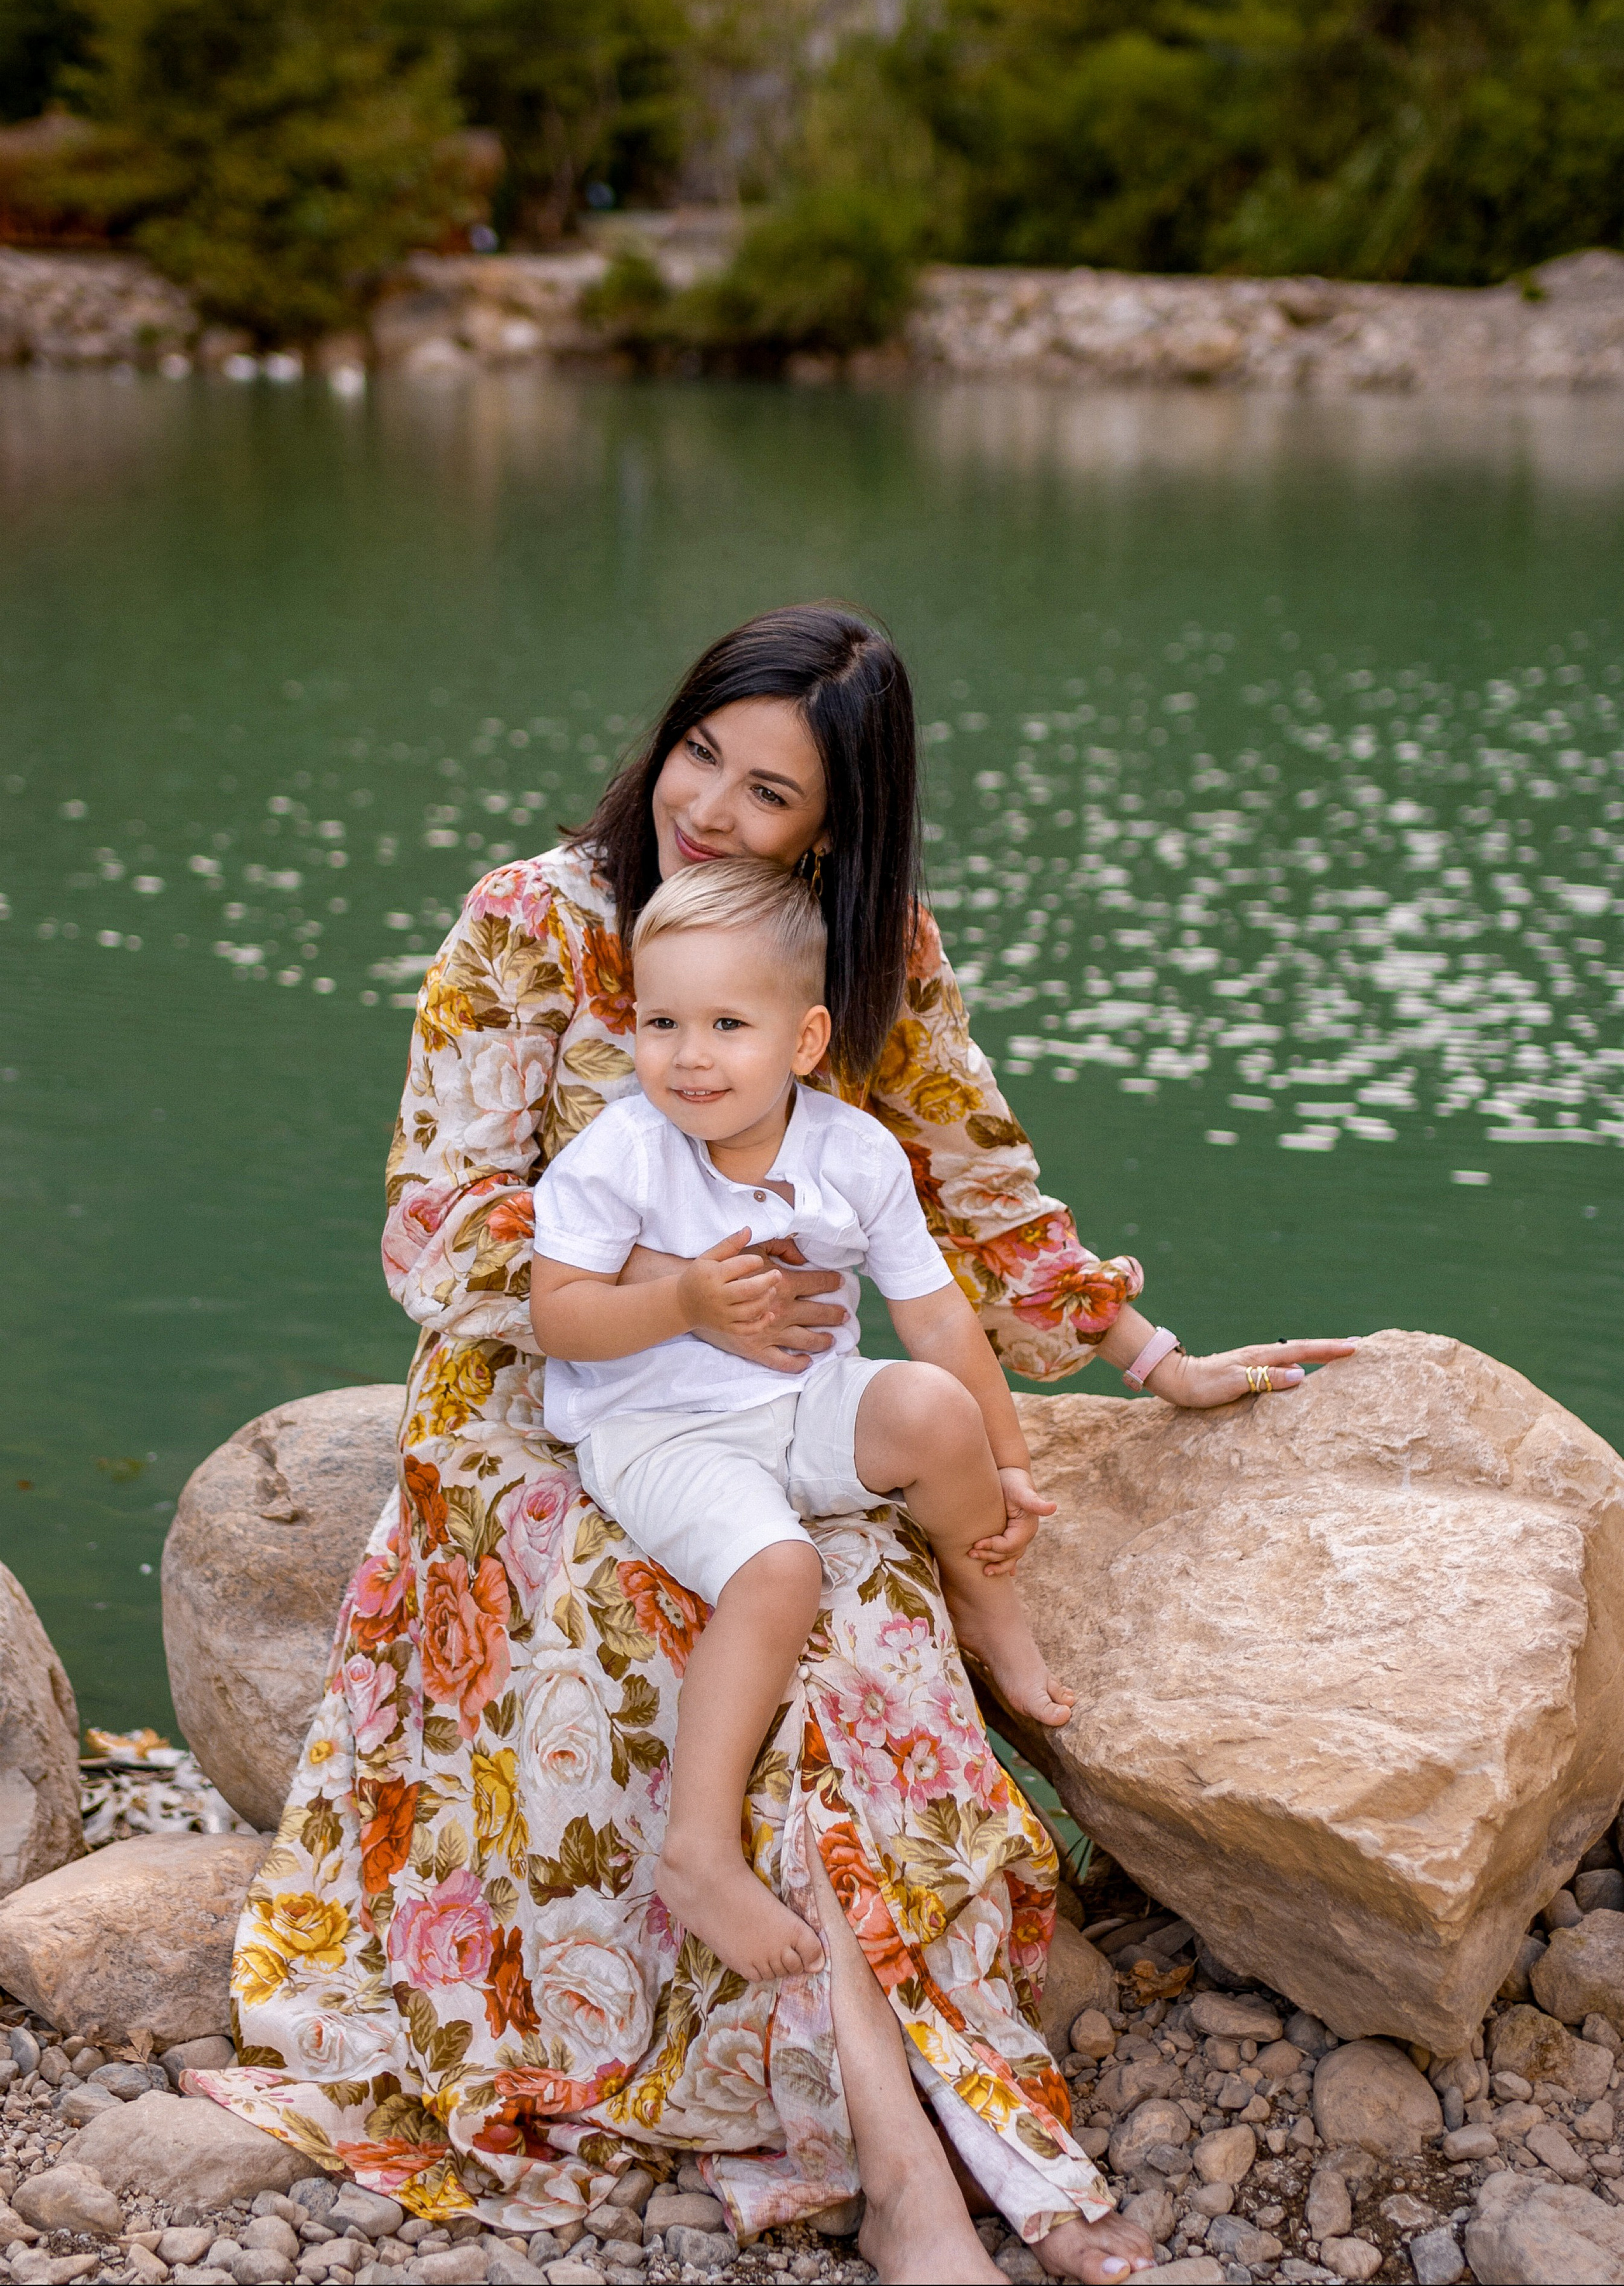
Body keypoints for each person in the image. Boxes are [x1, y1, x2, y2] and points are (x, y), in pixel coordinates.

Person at [196, 604, 1354, 2286]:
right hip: (542, 1396)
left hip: (765, 1396)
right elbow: (430, 1231)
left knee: (852, 1626)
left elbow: (976, 1184)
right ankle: (915, 2167)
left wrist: (1148, 1352)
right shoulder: (533, 921)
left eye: (770, 793)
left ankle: (934, 2145)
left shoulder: (870, 956)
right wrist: (673, 1292)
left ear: (836, 826)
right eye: (701, 757)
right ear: (667, 734)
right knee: (729, 1608)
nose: (712, 811)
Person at [529, 856, 1075, 1987]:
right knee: (777, 1572)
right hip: (658, 1430)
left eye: (729, 1022)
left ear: (807, 1040)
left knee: (929, 1410)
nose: (688, 1054)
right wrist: (680, 1300)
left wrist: (1006, 1458)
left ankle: (986, 1594)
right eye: (661, 1020)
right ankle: (697, 1851)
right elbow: (560, 1319)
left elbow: (933, 1318)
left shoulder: (854, 1152)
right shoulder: (621, 1151)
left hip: (797, 1402)